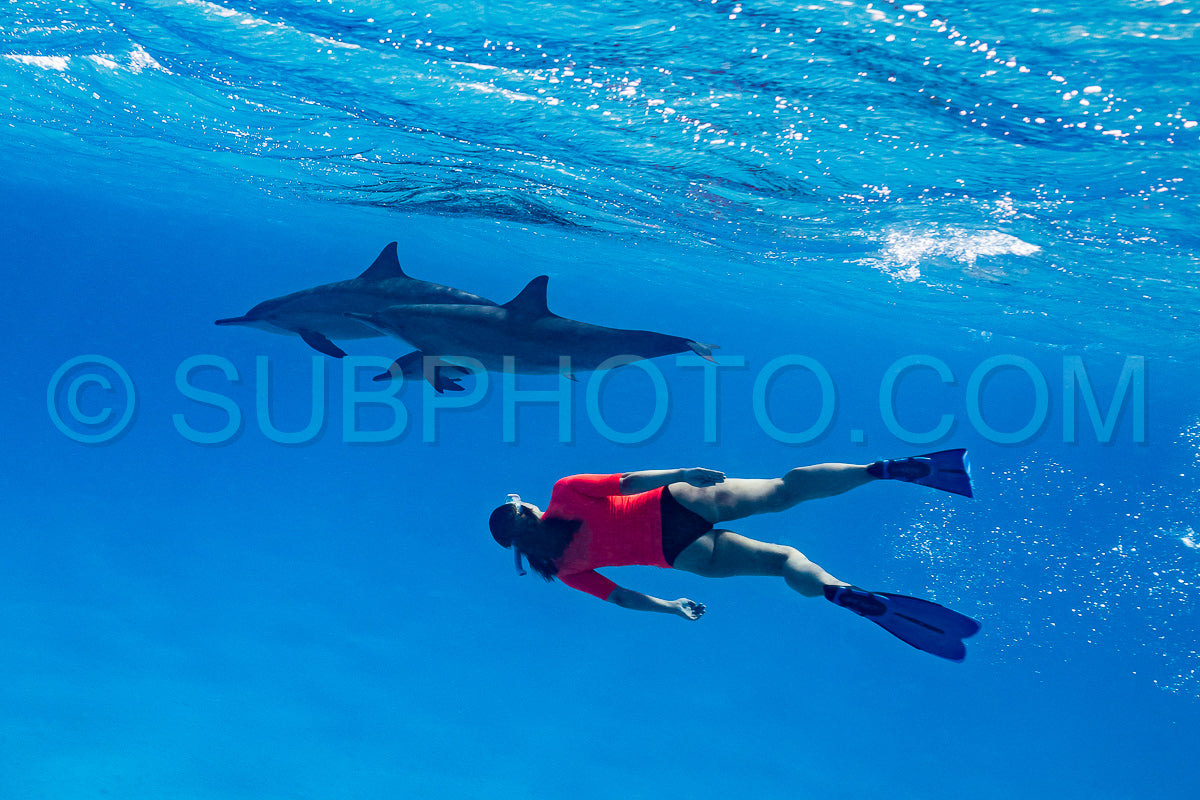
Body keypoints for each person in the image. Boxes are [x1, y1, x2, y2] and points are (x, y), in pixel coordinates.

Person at [490, 450, 981, 661]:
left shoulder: (564, 568)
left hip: (681, 554)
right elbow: (629, 482)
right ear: (525, 509)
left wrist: (671, 607)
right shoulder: (564, 492)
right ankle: (881, 469)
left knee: (783, 560)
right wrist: (684, 470)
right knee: (784, 490)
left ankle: (839, 591)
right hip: (676, 500)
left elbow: (620, 598)